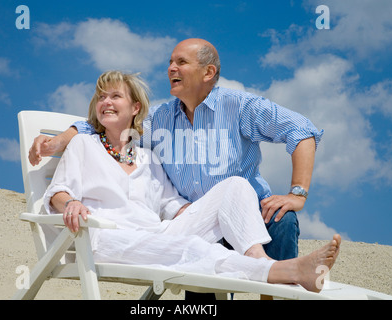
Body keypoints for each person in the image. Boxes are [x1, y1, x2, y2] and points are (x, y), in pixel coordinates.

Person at [43, 70, 341, 294]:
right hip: (105, 238)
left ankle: (260, 261)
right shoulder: (83, 145)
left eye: (115, 96)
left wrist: (204, 214)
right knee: (196, 249)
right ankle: (286, 271)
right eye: (101, 97)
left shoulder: (147, 156)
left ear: (135, 108)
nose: (106, 102)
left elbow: (172, 204)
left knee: (236, 185)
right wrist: (70, 203)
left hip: (155, 234)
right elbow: (58, 191)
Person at [30, 38, 322, 263]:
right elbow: (110, 124)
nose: (171, 68)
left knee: (282, 219)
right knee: (204, 293)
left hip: (251, 214)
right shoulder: (159, 118)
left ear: (208, 72)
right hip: (198, 225)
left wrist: (297, 193)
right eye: (170, 62)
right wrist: (64, 138)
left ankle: (277, 287)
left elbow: (301, 130)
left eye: (181, 62)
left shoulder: (240, 107)